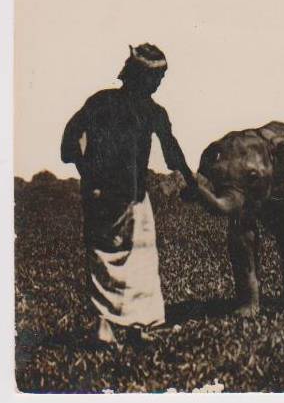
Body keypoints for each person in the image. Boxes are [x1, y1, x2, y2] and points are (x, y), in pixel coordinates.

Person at [61, 44, 198, 348]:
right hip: (116, 194)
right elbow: (71, 142)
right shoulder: (121, 106)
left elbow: (171, 151)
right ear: (139, 76)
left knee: (133, 260)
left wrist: (190, 180)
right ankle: (108, 326)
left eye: (161, 77)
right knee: (112, 258)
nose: (159, 83)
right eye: (155, 77)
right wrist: (89, 172)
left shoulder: (118, 104)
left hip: (127, 196)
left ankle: (136, 326)